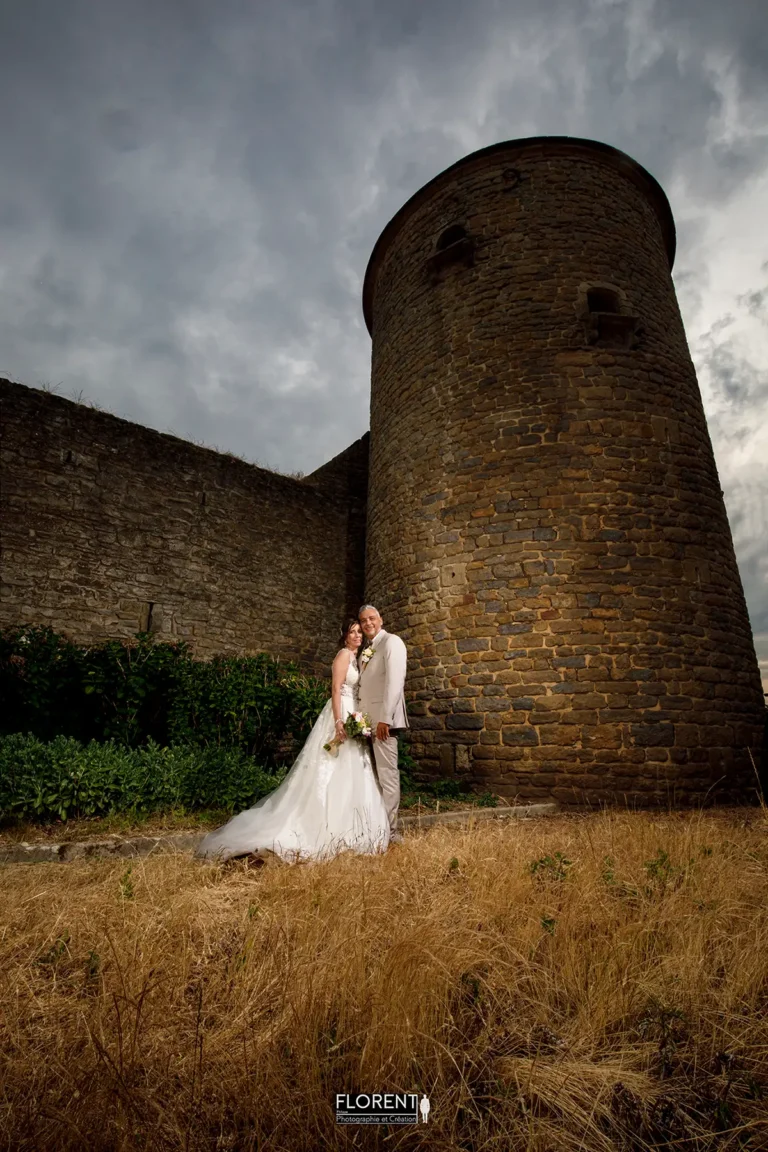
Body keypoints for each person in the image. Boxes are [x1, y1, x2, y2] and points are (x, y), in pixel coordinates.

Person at [195, 619, 390, 862]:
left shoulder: (360, 658)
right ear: (345, 636)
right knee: (332, 766)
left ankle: (355, 828)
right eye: (353, 632)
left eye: (360, 632)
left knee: (356, 769)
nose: (358, 636)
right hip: (341, 712)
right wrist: (339, 722)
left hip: (356, 714)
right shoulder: (342, 655)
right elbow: (335, 689)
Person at [357, 604, 409, 844]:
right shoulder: (368, 649)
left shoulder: (392, 642)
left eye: (372, 618)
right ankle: (376, 827)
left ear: (381, 619)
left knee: (387, 775)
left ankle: (391, 832)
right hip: (367, 723)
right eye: (363, 620)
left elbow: (395, 682)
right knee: (373, 776)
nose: (368, 623)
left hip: (383, 723)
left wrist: (385, 718)